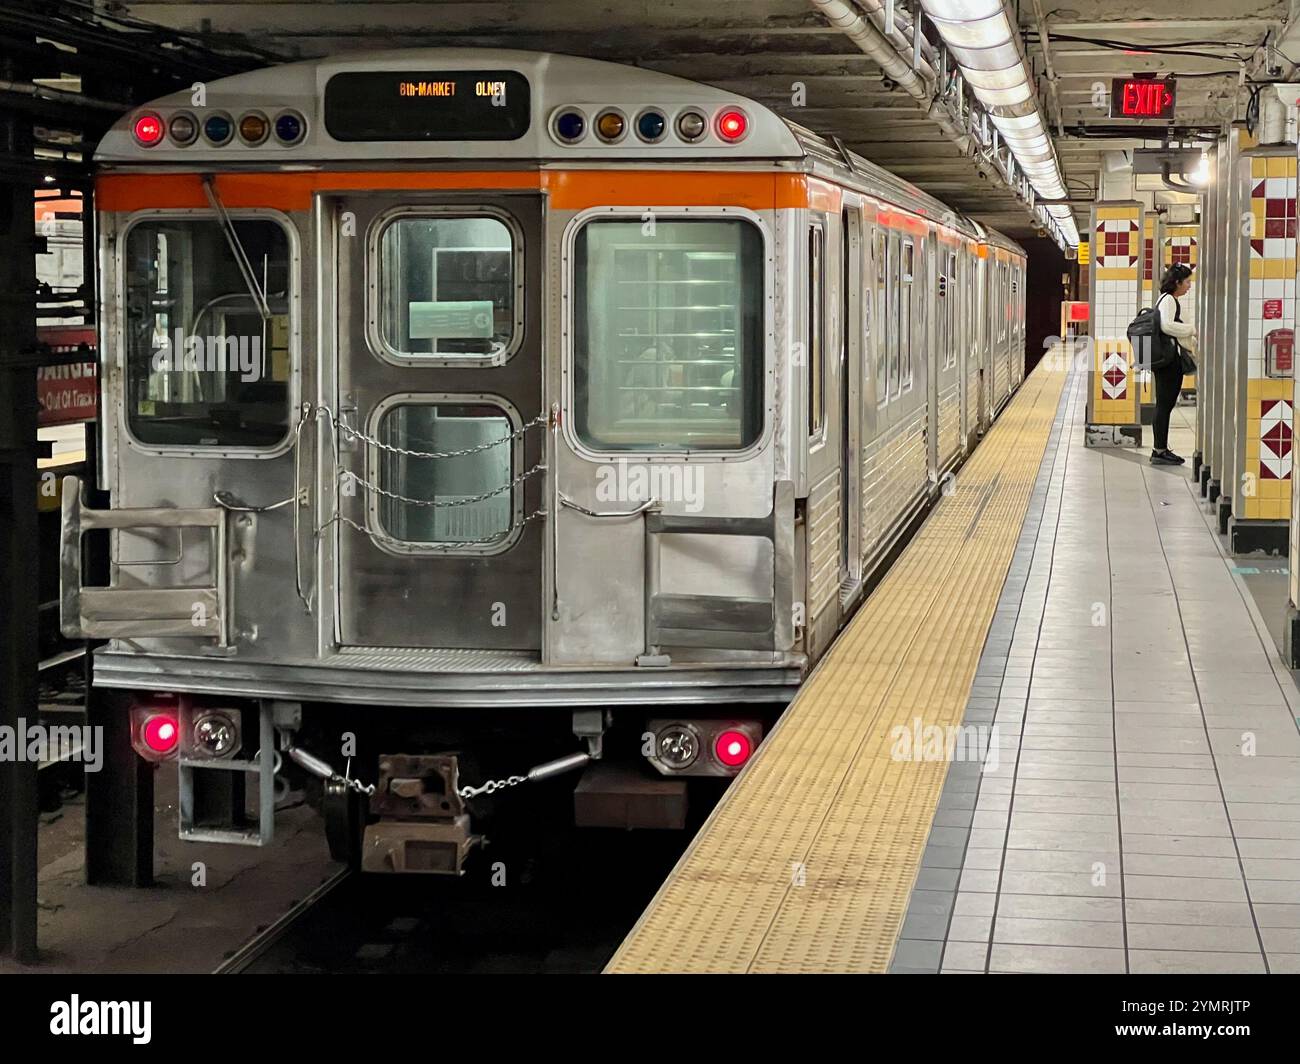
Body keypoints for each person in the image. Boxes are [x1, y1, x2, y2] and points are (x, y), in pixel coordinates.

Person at [1150, 263, 1196, 466]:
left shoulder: (1169, 299)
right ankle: (1159, 451)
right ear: (1177, 282)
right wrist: (1192, 330)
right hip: (1169, 362)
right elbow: (1166, 325)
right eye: (1187, 282)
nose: (1189, 286)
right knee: (1164, 405)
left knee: (1165, 405)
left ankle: (1161, 448)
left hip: (1167, 361)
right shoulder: (1168, 300)